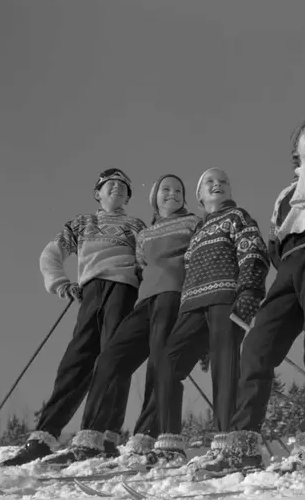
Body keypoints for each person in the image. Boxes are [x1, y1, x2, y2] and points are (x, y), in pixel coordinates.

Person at [194, 115, 305, 475]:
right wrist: (288, 270)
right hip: (289, 267)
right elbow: (275, 239)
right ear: (296, 149)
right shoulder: (285, 194)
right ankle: (243, 445)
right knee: (257, 346)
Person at [45, 175, 201, 464]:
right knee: (107, 359)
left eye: (179, 190)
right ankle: (87, 439)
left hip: (165, 295)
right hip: (138, 299)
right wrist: (64, 282)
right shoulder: (142, 232)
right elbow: (141, 266)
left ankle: (144, 439)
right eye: (166, 189)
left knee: (159, 364)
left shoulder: (188, 223)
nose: (173, 193)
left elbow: (200, 259)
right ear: (154, 197)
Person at [0, 169, 146, 466]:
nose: (116, 188)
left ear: (128, 197)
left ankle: (106, 437)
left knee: (114, 360)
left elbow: (147, 259)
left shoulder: (136, 225)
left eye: (123, 187)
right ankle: (43, 438)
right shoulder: (82, 223)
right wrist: (60, 283)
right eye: (110, 184)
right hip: (90, 291)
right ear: (97, 193)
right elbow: (50, 254)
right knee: (76, 360)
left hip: (124, 290)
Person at [143, 167, 270, 468]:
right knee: (167, 362)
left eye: (223, 181)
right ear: (199, 196)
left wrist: (249, 292)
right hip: (191, 306)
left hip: (225, 298)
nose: (217, 185)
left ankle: (229, 444)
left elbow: (254, 252)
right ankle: (170, 444)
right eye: (209, 182)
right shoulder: (198, 230)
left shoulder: (237, 216)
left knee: (225, 368)